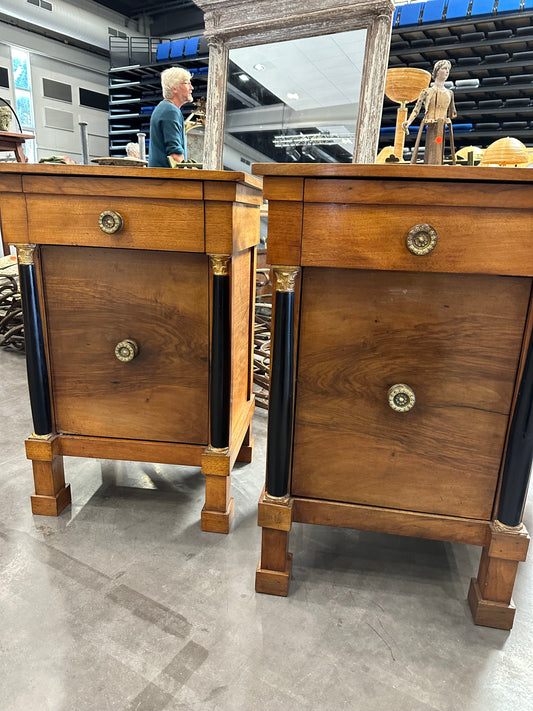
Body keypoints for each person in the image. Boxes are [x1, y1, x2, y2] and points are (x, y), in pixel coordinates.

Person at [402, 59, 457, 165]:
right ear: (436, 71)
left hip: (442, 127)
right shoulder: (426, 92)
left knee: (439, 145)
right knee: (432, 149)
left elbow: (452, 113)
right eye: (444, 68)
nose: (447, 72)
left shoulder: (450, 93)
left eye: (448, 70)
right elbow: (416, 110)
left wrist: (450, 114)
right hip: (430, 124)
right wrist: (408, 122)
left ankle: (437, 166)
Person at [148, 67, 193, 168]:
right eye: (186, 83)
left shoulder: (164, 108)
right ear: (174, 88)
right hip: (167, 180)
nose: (191, 88)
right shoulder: (170, 111)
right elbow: (175, 154)